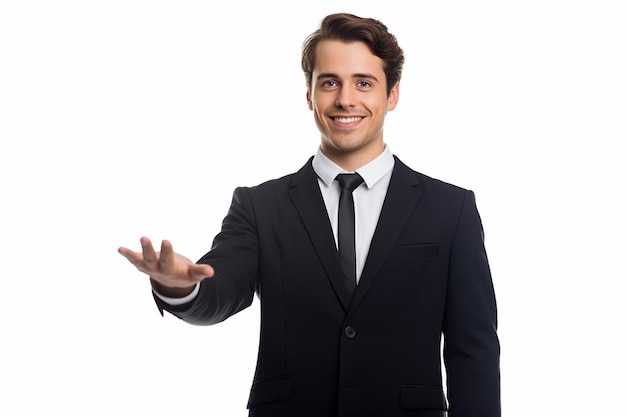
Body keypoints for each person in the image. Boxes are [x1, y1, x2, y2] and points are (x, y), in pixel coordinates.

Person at [118, 12, 501, 417]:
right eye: (329, 82)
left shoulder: (450, 209)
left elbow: (473, 349)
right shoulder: (260, 206)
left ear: (392, 95)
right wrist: (180, 287)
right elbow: (221, 289)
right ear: (309, 95)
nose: (345, 100)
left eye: (364, 83)